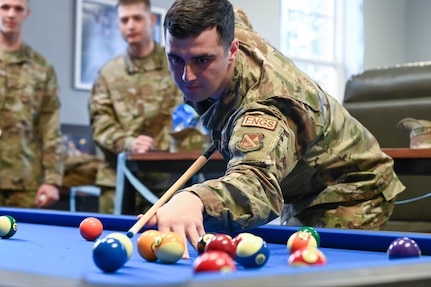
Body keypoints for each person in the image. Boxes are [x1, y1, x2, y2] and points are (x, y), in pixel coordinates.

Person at [143, 0, 406, 252]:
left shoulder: (265, 108)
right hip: (299, 183)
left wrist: (195, 200)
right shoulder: (226, 26)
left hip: (350, 188)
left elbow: (258, 187)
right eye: (175, 59)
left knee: (311, 273)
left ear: (232, 50)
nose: (187, 76)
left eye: (202, 60)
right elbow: (235, 13)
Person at [89, 0, 183, 214]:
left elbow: (193, 115)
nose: (130, 25)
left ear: (151, 21)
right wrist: (128, 143)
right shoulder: (108, 73)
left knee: (166, 245)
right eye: (124, 20)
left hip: (168, 182)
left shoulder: (176, 64)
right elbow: (100, 123)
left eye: (137, 18)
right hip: (117, 181)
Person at [0, 0, 64, 208]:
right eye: (5, 7)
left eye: (18, 8)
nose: (11, 14)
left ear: (26, 13)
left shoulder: (41, 69)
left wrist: (52, 180)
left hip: (23, 183)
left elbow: (50, 128)